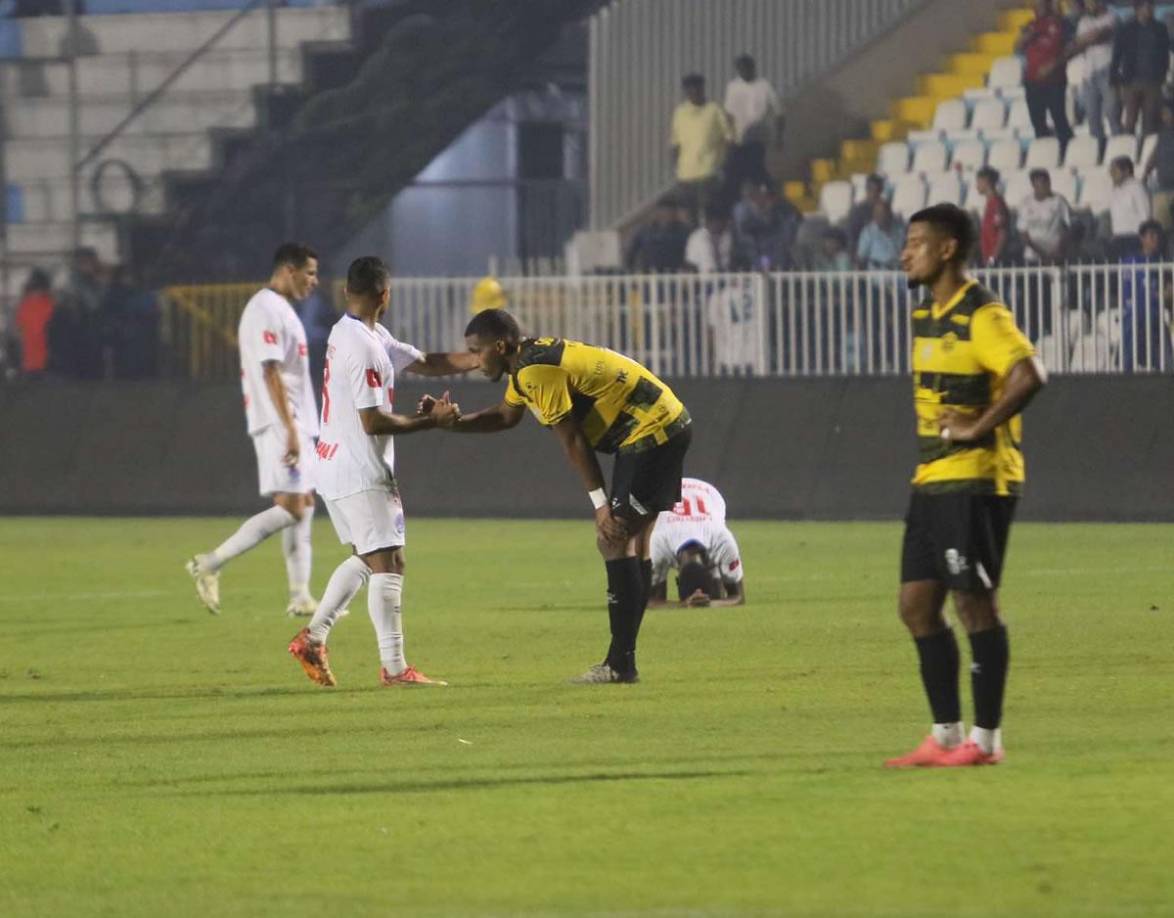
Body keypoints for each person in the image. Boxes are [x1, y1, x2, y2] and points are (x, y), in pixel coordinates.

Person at [425, 308, 693, 684]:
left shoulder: (534, 371)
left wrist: (600, 505)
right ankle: (622, 663)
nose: (474, 361)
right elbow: (504, 417)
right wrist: (452, 424)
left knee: (613, 539)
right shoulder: (527, 365)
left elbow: (572, 440)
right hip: (661, 424)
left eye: (476, 351)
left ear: (499, 347)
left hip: (652, 430)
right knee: (634, 541)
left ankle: (620, 665)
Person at [886, 203, 1047, 768]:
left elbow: (1030, 374)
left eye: (915, 243)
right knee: (916, 605)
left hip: (977, 480)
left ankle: (987, 740)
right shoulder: (926, 314)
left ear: (947, 248)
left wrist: (977, 428)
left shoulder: (983, 313)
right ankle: (946, 735)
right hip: (931, 479)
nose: (904, 254)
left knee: (974, 604)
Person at [287, 256, 468, 688]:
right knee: (391, 561)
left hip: (333, 462)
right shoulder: (365, 348)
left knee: (369, 558)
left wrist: (480, 358)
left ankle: (313, 638)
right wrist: (432, 421)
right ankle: (395, 668)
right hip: (360, 467)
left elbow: (425, 361)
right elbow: (373, 421)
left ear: (347, 292)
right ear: (385, 294)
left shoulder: (356, 332)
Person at [186, 243, 325, 618]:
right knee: (292, 506)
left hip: (295, 419)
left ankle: (301, 596)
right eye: (310, 273)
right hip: (280, 421)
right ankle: (210, 562)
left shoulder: (282, 309)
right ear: (289, 270)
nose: (315, 281)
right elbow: (269, 370)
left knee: (304, 504)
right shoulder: (265, 308)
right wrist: (289, 428)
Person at [647, 478, 745, 609]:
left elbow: (739, 597)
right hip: (667, 491)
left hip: (708, 494)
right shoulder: (657, 544)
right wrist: (683, 605)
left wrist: (710, 603)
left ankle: (713, 590)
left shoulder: (723, 541)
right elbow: (649, 600)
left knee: (716, 595)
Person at [671, 73, 733, 223]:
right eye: (690, 90)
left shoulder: (714, 109)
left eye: (697, 89)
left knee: (709, 215)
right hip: (685, 175)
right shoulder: (680, 112)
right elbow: (675, 143)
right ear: (686, 91)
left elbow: (729, 139)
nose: (694, 93)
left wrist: (724, 165)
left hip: (708, 172)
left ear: (703, 89)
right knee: (689, 218)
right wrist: (676, 168)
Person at [722, 54, 784, 199]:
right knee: (736, 172)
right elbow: (728, 114)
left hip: (757, 136)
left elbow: (779, 112)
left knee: (755, 167)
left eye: (747, 68)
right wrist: (728, 137)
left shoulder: (764, 85)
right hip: (738, 137)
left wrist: (779, 136)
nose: (744, 72)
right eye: (741, 69)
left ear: (753, 68)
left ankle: (770, 193)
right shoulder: (733, 87)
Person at [1016, 0, 1073, 148]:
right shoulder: (1031, 25)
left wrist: (1053, 65)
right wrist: (1027, 36)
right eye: (1036, 5)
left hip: (1055, 80)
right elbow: (1018, 47)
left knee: (1058, 118)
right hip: (1033, 81)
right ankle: (1045, 149)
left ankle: (1066, 149)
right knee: (1037, 120)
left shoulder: (1061, 24)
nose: (1038, 7)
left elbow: (1070, 49)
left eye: (1041, 4)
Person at [1119, 220, 1174, 371]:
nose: (1155, 239)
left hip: (1155, 316)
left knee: (1167, 357)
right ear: (1142, 238)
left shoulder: (1162, 263)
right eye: (1151, 235)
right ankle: (1125, 374)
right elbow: (1133, 292)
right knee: (1133, 324)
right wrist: (1158, 295)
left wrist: (1166, 294)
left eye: (1157, 235)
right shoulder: (1131, 262)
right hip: (1135, 316)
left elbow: (1169, 291)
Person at [1110, 0, 1170, 137]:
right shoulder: (1126, 29)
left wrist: (1162, 75)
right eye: (1145, 6)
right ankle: (1128, 148)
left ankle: (1147, 149)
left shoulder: (1160, 28)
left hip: (1153, 82)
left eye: (1151, 6)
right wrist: (1114, 77)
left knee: (1150, 123)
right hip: (1131, 81)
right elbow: (1117, 54)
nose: (1149, 9)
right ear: (1137, 9)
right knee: (1130, 121)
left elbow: (1165, 54)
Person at [1069, 0, 1119, 140]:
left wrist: (1087, 38)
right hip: (1089, 74)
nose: (1089, 5)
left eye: (1092, 3)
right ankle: (1099, 147)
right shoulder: (1084, 21)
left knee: (1112, 113)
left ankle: (1118, 144)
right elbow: (1078, 43)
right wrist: (1089, 37)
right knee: (1092, 116)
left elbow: (1100, 36)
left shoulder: (1111, 16)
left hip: (1107, 70)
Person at [733, 182, 801, 270]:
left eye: (768, 197)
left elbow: (785, 242)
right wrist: (760, 263)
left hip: (780, 265)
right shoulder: (745, 217)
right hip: (752, 265)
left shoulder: (785, 214)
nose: (763, 201)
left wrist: (772, 262)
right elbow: (747, 244)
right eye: (758, 197)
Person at [1017, 169, 1073, 264]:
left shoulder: (1059, 201)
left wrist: (1059, 249)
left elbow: (1068, 227)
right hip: (1033, 255)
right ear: (1033, 185)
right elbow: (1023, 232)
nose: (1046, 185)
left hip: (1056, 254)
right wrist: (1042, 254)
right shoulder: (1025, 203)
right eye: (1042, 183)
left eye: (1047, 182)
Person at [624, 198, 690, 272]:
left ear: (675, 213)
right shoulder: (644, 231)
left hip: (675, 274)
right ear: (658, 212)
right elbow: (630, 254)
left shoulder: (684, 232)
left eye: (670, 211)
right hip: (649, 274)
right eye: (664, 211)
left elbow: (690, 256)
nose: (667, 214)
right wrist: (630, 271)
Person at [12, 268, 55, 378]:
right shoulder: (51, 305)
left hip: (29, 361)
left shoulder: (23, 306)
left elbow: (17, 331)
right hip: (47, 361)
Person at [1109, 155, 1152, 260]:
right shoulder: (1115, 190)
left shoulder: (1137, 188)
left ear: (1126, 171)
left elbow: (1145, 214)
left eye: (1115, 170)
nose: (1111, 173)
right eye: (1111, 170)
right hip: (1118, 237)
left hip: (1133, 237)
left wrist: (1144, 236)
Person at [1142, 101, 1174, 232]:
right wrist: (1145, 173)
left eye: (1167, 113)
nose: (1164, 117)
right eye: (1163, 114)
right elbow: (1155, 155)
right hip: (1163, 186)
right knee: (1162, 229)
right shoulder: (1163, 133)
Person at [976, 167, 1013, 267]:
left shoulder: (996, 204)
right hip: (988, 259)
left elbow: (1002, 233)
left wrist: (993, 258)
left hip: (997, 262)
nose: (977, 186)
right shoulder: (989, 204)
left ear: (986, 181)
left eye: (979, 182)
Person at [685, 205, 739, 274]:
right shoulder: (696, 237)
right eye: (715, 221)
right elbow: (691, 263)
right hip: (704, 278)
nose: (719, 225)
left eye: (723, 221)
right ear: (708, 221)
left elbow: (733, 261)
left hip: (726, 276)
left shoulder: (729, 236)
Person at [855, 199, 905, 270]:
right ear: (874, 215)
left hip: (897, 272)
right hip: (877, 274)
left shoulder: (899, 230)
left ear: (890, 214)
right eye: (878, 214)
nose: (880, 217)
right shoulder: (868, 232)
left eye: (883, 213)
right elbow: (860, 259)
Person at [847, 174, 887, 252]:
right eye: (871, 190)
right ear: (866, 190)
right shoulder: (857, 211)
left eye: (878, 190)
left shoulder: (886, 209)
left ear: (881, 191)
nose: (874, 194)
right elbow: (852, 237)